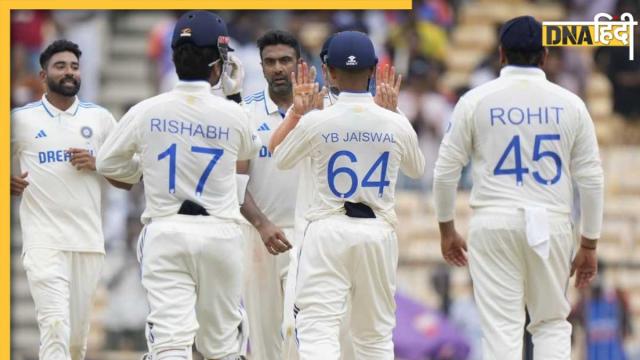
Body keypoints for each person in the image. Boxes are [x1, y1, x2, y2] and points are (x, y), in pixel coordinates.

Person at [432, 15, 604, 359]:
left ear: (501, 55)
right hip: (551, 222)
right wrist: (589, 243)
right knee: (551, 323)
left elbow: (445, 172)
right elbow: (591, 178)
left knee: (501, 328)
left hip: (492, 222)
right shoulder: (571, 104)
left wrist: (447, 229)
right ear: (544, 56)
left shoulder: (475, 100)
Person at [96, 10, 261, 360]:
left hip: (166, 231)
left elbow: (106, 162)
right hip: (220, 234)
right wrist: (232, 96)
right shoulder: (234, 115)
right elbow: (248, 152)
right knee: (222, 346)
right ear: (218, 65)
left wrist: (142, 168)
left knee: (170, 341)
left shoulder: (146, 110)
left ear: (172, 56)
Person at [273, 30, 425, 359]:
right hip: (378, 234)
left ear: (328, 72)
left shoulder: (318, 121)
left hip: (327, 230)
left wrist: (300, 115)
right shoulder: (394, 123)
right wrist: (394, 113)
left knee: (318, 331)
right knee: (375, 338)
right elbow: (417, 168)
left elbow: (281, 158)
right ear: (373, 70)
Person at [10, 39, 130, 360]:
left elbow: (129, 179)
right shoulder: (20, 119)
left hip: (88, 242)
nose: (69, 72)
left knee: (76, 343)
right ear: (42, 75)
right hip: (43, 242)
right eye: (60, 66)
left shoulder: (101, 119)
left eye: (74, 67)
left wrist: (98, 162)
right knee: (54, 326)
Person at [237, 29, 298, 360]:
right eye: (270, 62)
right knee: (263, 341)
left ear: (299, 64)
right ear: (261, 67)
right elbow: (236, 182)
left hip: (305, 234)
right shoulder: (244, 113)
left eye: (285, 61)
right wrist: (261, 224)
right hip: (258, 236)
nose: (278, 68)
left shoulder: (319, 110)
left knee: (300, 333)